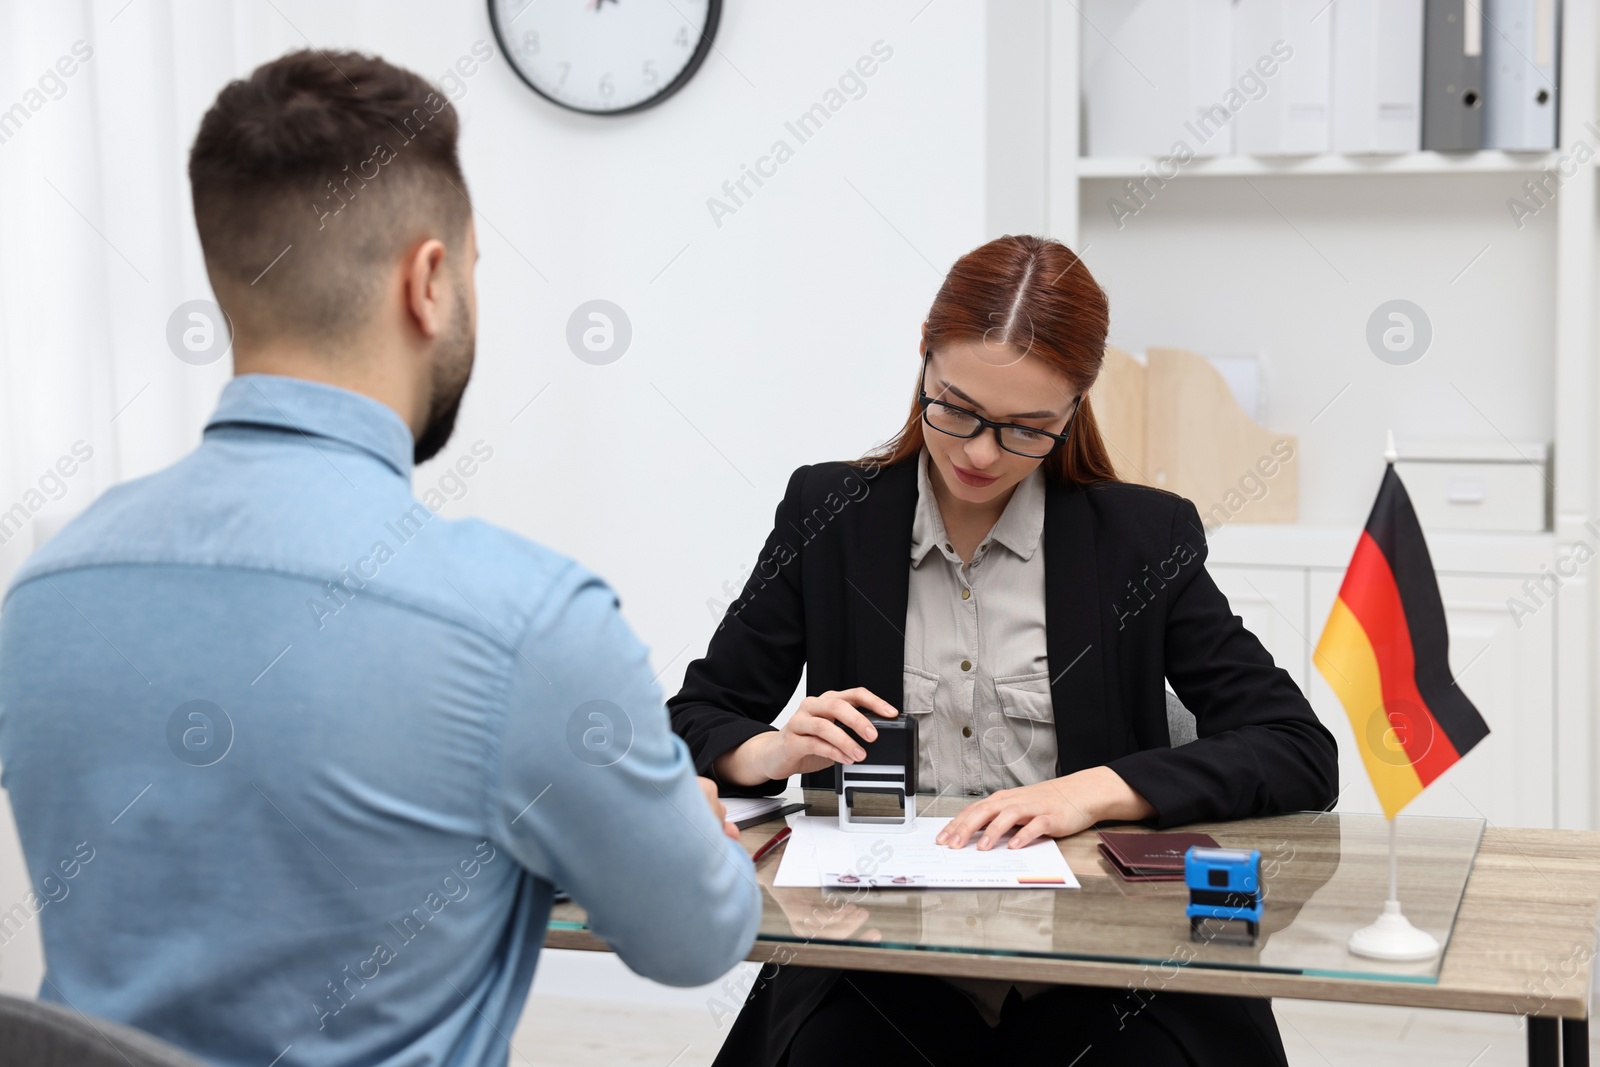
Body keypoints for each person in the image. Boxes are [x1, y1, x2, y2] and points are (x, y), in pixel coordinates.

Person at [0, 50, 757, 1066]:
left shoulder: (47, 590)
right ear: (430, 280)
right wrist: (679, 825)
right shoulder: (527, 622)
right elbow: (696, 938)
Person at [669, 234, 1339, 1066]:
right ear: (923, 356)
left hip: (1102, 962)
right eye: (955, 408)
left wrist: (1097, 790)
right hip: (878, 956)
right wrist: (771, 747)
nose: (981, 452)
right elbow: (694, 716)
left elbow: (1297, 748)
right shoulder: (829, 513)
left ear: (1075, 408)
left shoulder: (1141, 538)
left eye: (1027, 429)